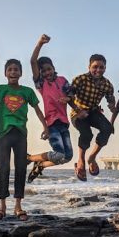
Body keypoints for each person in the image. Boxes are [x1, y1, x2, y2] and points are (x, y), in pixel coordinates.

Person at [0, 59, 48, 221]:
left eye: (16, 70)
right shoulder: (0, 90)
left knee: (20, 168)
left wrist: (46, 127)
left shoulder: (27, 92)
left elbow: (38, 110)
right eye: (10, 70)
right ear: (5, 73)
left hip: (20, 133)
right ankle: (2, 205)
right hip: (3, 133)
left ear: (21, 73)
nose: (13, 72)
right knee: (4, 168)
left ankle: (18, 205)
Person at [25, 34, 74, 183]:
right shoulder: (42, 84)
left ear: (53, 68)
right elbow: (33, 61)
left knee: (68, 157)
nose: (47, 73)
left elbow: (72, 95)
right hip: (51, 123)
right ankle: (30, 158)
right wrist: (40, 43)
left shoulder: (62, 80)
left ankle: (40, 166)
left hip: (64, 123)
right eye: (43, 71)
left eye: (49, 69)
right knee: (59, 154)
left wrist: (68, 98)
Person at [71, 54, 117, 181]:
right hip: (78, 112)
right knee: (87, 134)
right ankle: (81, 160)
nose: (98, 70)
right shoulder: (80, 79)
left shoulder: (107, 84)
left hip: (93, 111)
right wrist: (78, 110)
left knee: (108, 128)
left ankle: (91, 158)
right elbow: (69, 97)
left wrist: (111, 105)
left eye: (101, 67)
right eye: (95, 67)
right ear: (89, 67)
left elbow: (110, 97)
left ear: (105, 68)